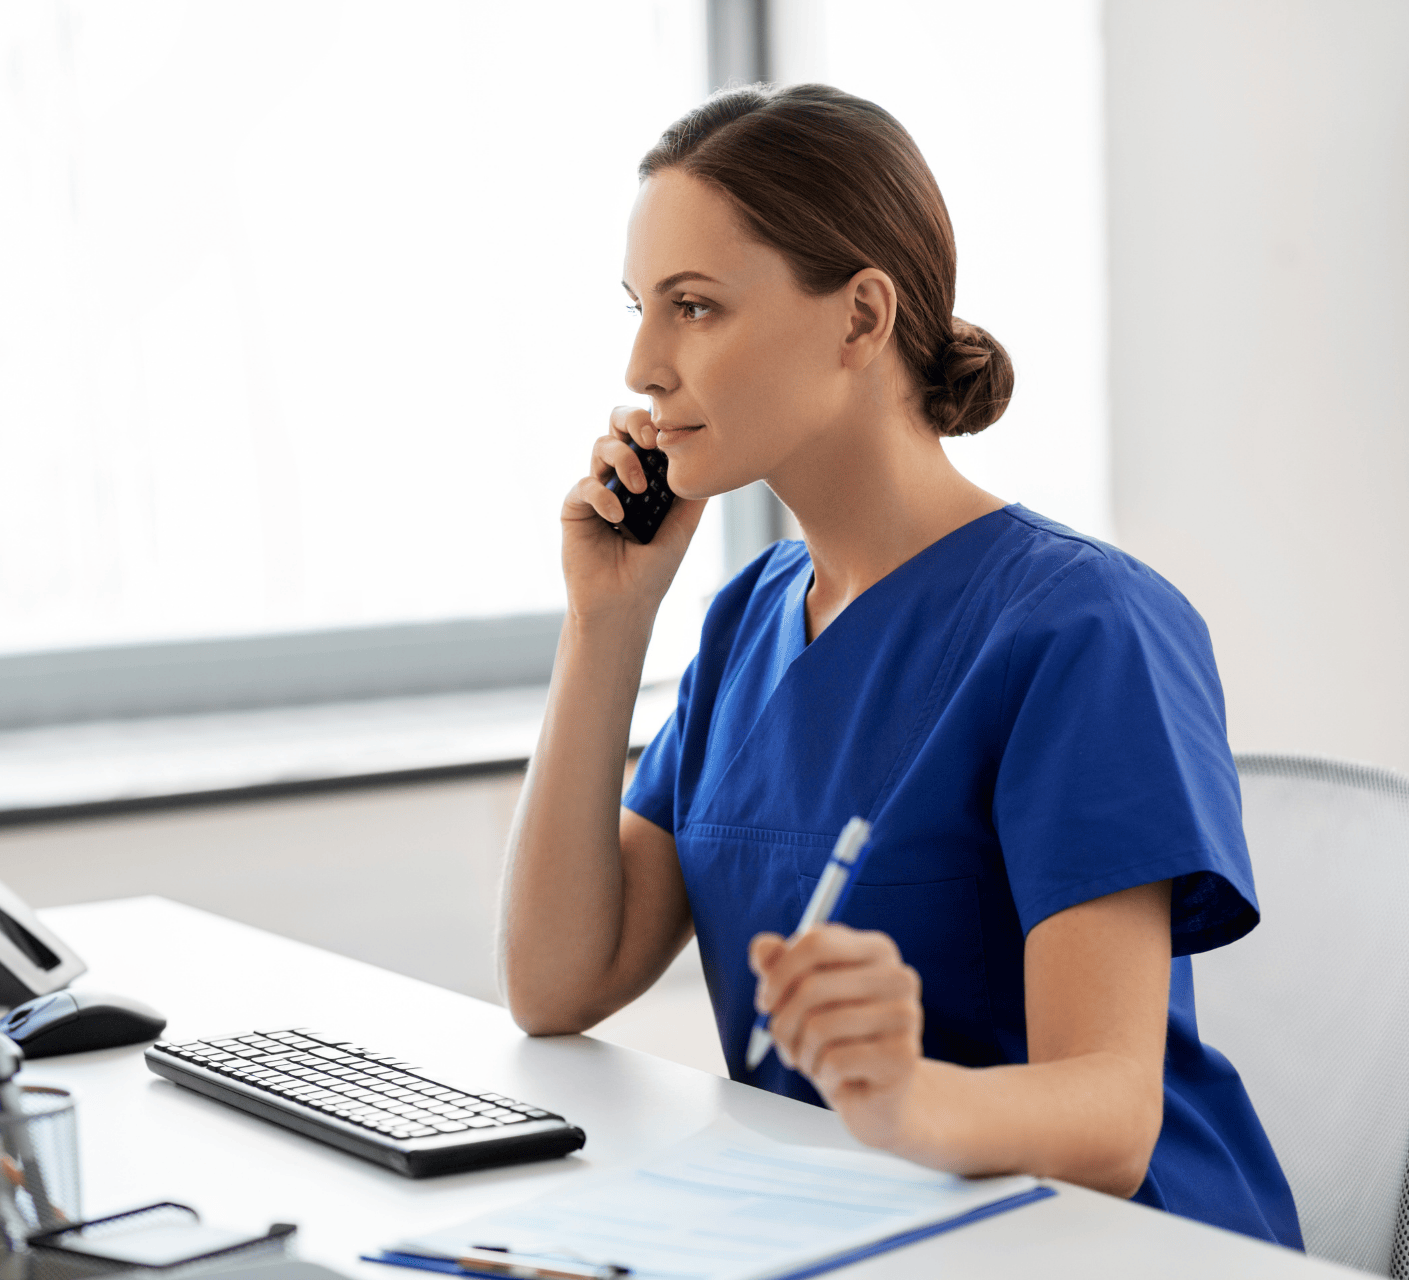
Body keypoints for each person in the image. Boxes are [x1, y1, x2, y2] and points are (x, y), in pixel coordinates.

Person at [498, 83, 1302, 1248]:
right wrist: (603, 625)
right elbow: (557, 980)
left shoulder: (1085, 629)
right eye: (641, 308)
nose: (643, 364)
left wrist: (908, 1100)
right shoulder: (748, 620)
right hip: (853, 1228)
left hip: (1114, 1246)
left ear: (861, 317)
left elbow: (1115, 1114)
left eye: (695, 307)